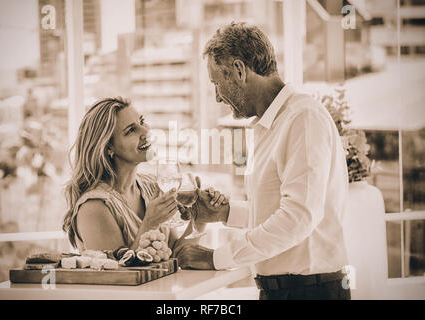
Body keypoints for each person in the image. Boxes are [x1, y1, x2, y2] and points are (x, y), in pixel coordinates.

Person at [174, 22, 351, 300]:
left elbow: (298, 218)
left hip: (309, 292)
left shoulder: (303, 118)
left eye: (216, 83)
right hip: (285, 291)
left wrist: (216, 258)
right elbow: (278, 211)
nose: (218, 97)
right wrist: (224, 213)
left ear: (239, 70)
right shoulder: (270, 125)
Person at [62, 97, 227, 252]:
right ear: (108, 148)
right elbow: (115, 277)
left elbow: (176, 256)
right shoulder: (94, 207)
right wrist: (150, 224)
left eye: (141, 121)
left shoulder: (151, 186)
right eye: (131, 130)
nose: (146, 131)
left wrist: (200, 218)